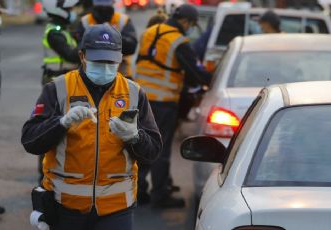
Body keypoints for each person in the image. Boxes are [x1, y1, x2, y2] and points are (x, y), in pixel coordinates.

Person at [21, 24, 162, 230]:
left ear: (120, 58)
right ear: (82, 56)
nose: (105, 67)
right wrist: (61, 123)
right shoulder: (57, 89)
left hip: (117, 209)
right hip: (65, 207)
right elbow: (30, 141)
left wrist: (135, 137)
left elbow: (153, 152)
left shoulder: (133, 93)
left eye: (110, 61)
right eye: (98, 61)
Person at [134, 4, 210, 208]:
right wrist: (212, 80)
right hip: (163, 101)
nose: (191, 28)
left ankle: (137, 190)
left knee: (142, 146)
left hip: (140, 99)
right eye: (192, 24)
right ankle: (159, 196)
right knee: (160, 149)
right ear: (185, 21)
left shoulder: (150, 32)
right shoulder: (179, 41)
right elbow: (195, 72)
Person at [38, 0, 81, 186]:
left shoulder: (63, 28)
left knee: (65, 127)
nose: (72, 12)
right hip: (54, 84)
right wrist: (87, 45)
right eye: (68, 9)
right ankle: (44, 175)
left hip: (64, 82)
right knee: (50, 127)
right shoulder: (54, 32)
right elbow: (70, 55)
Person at [76, 0, 137, 78]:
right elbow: (79, 48)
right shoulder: (85, 21)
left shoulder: (122, 20)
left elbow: (131, 47)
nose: (103, 9)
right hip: (91, 74)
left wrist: (110, 35)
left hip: (121, 72)